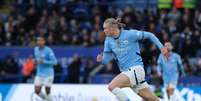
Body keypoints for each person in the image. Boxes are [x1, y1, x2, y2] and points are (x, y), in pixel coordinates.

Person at [96, 17, 168, 101]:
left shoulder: (130, 34)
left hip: (136, 70)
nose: (104, 31)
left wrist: (161, 47)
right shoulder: (108, 41)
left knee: (112, 86)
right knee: (154, 99)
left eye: (105, 28)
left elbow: (149, 35)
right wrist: (102, 59)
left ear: (112, 28)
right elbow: (106, 60)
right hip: (128, 73)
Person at [34, 36, 57, 101]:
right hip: (39, 73)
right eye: (37, 40)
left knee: (47, 90)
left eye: (40, 40)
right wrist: (36, 62)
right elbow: (38, 60)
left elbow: (55, 62)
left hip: (48, 74)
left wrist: (44, 61)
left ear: (44, 42)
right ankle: (47, 100)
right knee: (37, 91)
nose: (38, 42)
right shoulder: (35, 49)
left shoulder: (48, 50)